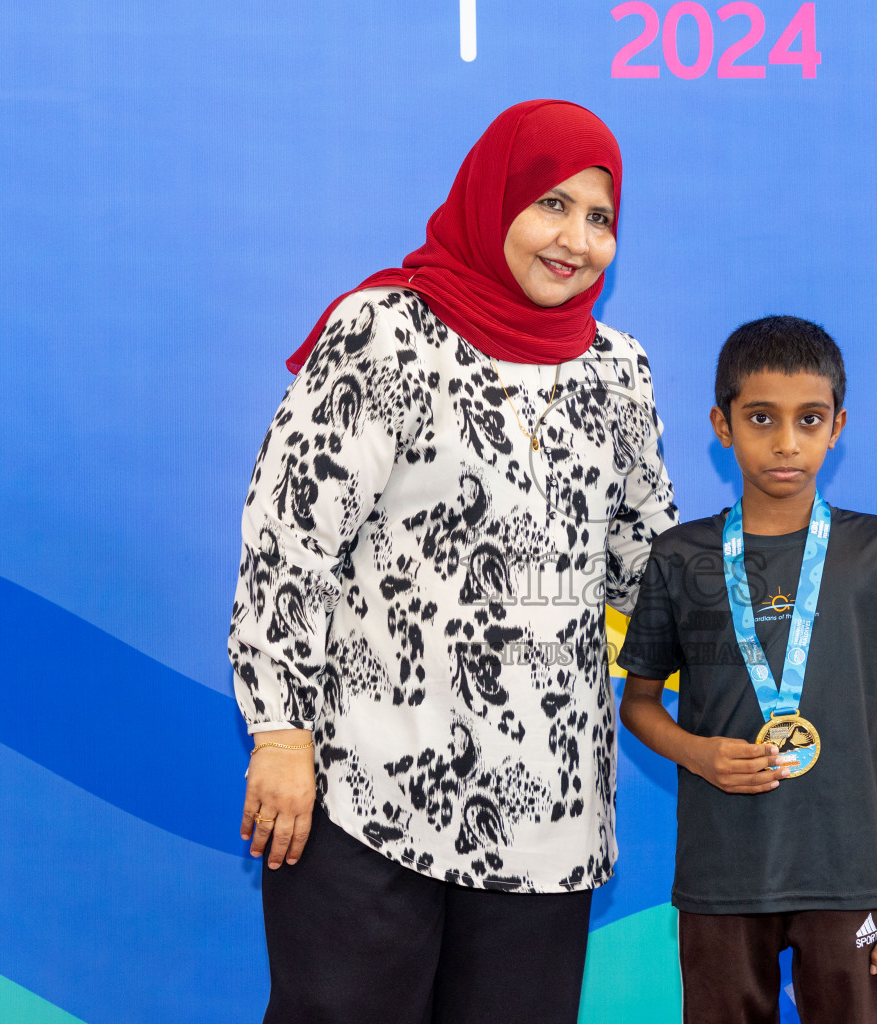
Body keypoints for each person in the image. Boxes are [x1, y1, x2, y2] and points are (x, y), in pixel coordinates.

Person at [228, 99, 678, 1024]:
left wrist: (784, 599)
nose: (578, 239)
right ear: (494, 198)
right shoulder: (388, 332)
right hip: (363, 792)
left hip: (546, 819)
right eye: (552, 204)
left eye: (601, 219)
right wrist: (280, 734)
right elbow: (290, 541)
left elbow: (648, 566)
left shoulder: (618, 369)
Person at [617, 315, 877, 1024]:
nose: (787, 442)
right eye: (761, 418)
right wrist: (697, 754)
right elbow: (637, 703)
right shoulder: (682, 558)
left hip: (847, 875)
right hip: (720, 877)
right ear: (722, 424)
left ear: (838, 426)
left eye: (810, 419)